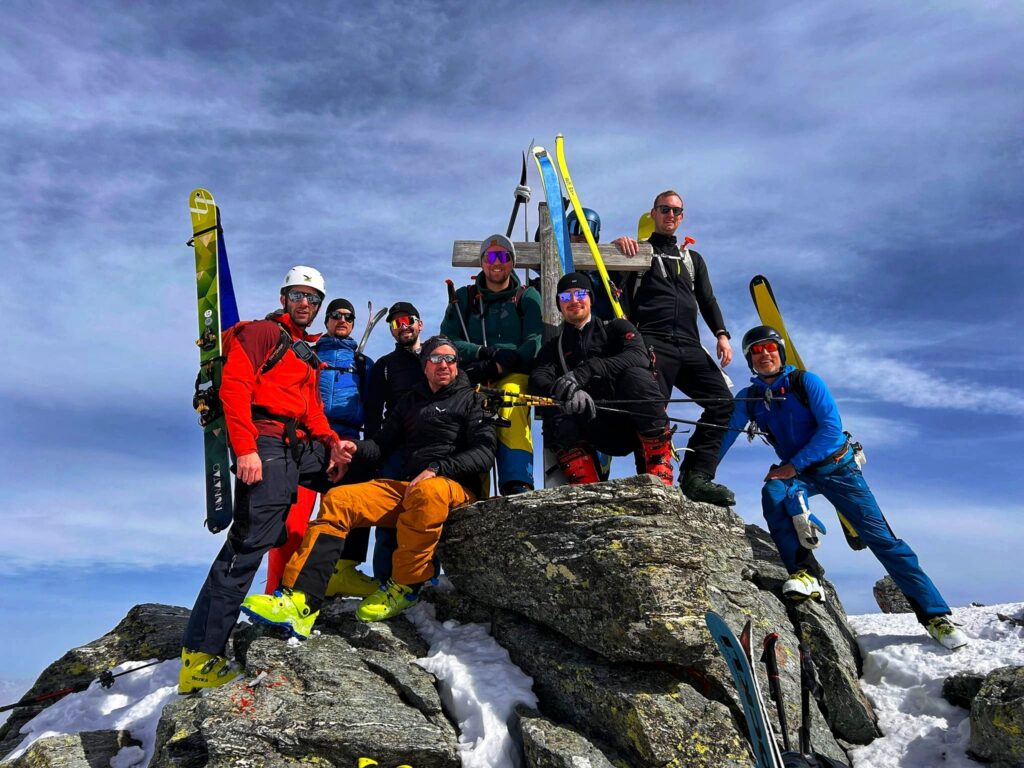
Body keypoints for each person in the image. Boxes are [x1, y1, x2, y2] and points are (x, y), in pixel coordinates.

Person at [719, 326, 968, 650]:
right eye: (756, 350)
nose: (764, 353)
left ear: (780, 352)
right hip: (800, 474)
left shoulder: (806, 382)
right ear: (750, 360)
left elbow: (831, 431)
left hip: (839, 469)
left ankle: (935, 616)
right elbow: (724, 433)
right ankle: (805, 574)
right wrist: (699, 472)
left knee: (884, 541)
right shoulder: (750, 398)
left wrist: (793, 465)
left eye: (770, 347)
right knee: (774, 493)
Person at [240, 337, 496, 631]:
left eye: (451, 359)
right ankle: (300, 599)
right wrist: (355, 448)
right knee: (339, 499)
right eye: (437, 358)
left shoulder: (473, 399)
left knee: (427, 491)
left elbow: (484, 453)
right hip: (413, 486)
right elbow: (382, 444)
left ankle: (406, 585)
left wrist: (437, 468)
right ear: (424, 365)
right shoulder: (411, 401)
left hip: (454, 487)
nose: (445, 365)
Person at [179, 266, 352, 693]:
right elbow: (234, 388)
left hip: (297, 446)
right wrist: (245, 449)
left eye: (313, 298)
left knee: (360, 471)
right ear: (283, 297)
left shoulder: (305, 353)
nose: (305, 303)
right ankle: (200, 657)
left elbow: (312, 411)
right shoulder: (261, 334)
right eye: (298, 295)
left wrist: (332, 444)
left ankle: (310, 587)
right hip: (265, 443)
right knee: (247, 547)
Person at [611, 190, 736, 507]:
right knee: (651, 410)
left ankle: (696, 476)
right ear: (653, 213)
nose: (671, 215)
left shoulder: (692, 259)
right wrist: (615, 250)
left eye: (676, 211)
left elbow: (707, 299)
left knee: (723, 402)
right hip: (653, 341)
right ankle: (651, 481)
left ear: (682, 217)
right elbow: (610, 288)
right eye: (664, 209)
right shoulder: (638, 252)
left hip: (690, 344)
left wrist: (721, 334)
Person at [264, 297, 378, 599]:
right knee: (292, 519)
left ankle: (331, 582)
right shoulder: (307, 354)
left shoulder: (364, 364)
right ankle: (278, 588)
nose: (342, 320)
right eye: (336, 315)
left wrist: (371, 448)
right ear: (326, 320)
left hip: (346, 442)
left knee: (342, 514)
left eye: (348, 317)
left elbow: (373, 408)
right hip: (306, 439)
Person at [529, 272, 673, 485]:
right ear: (559, 304)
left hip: (631, 421)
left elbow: (639, 355)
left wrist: (585, 372)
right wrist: (568, 392)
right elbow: (538, 378)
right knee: (555, 402)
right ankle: (585, 485)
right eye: (565, 297)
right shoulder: (553, 347)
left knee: (637, 376)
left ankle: (659, 470)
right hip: (590, 427)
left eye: (580, 294)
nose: (574, 300)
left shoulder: (617, 328)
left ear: (590, 298)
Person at [441, 234, 542, 495]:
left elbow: (534, 340)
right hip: (474, 374)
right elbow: (449, 340)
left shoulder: (526, 296)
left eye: (503, 256)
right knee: (472, 420)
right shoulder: (464, 298)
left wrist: (507, 362)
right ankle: (472, 488)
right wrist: (481, 352)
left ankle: (517, 481)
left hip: (514, 372)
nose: (497, 262)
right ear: (482, 262)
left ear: (512, 262)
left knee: (510, 402)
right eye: (490, 256)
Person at [362, 301, 428, 581]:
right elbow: (373, 413)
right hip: (395, 450)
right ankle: (384, 581)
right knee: (388, 516)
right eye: (395, 323)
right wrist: (373, 455)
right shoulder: (385, 366)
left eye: (407, 320)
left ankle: (427, 581)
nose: (402, 327)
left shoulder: (437, 357)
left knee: (427, 515)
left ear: (419, 324)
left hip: (431, 448)